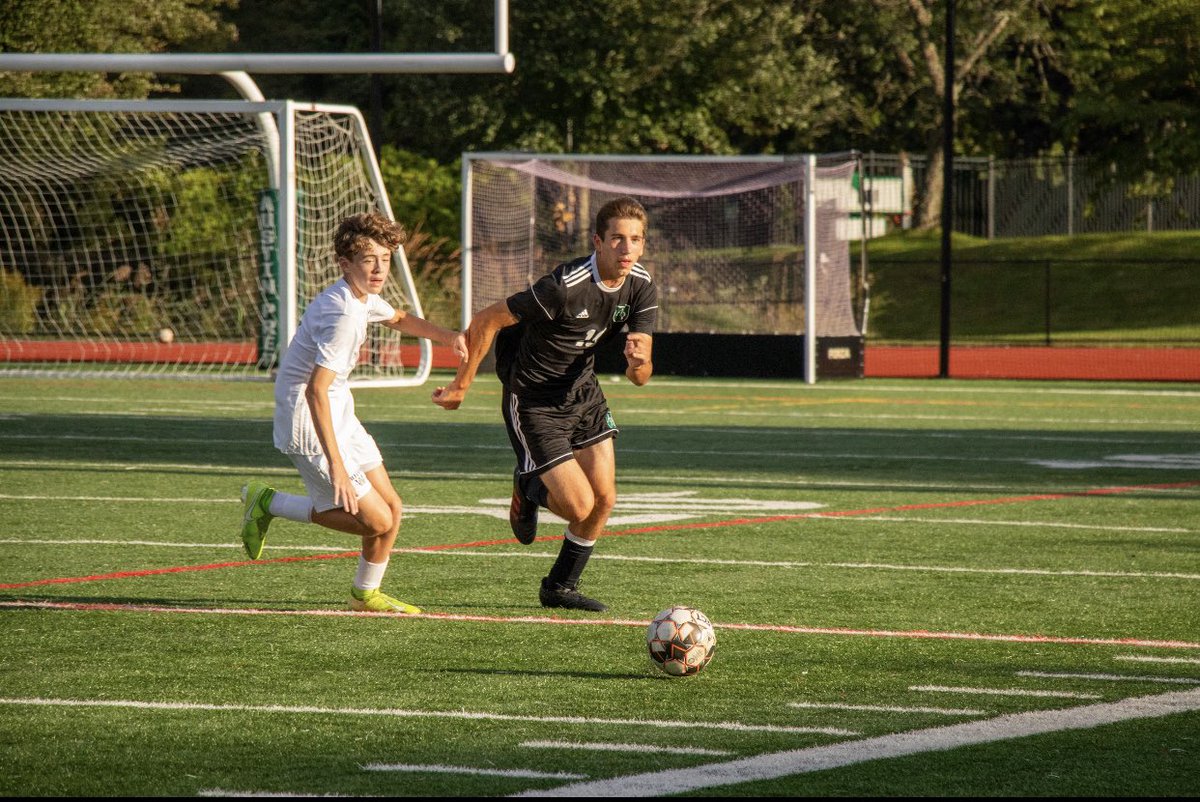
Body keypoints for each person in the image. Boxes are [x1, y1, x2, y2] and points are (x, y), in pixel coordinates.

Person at [432, 196, 657, 612]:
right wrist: (461, 385)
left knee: (604, 499)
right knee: (578, 506)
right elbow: (486, 320)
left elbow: (640, 378)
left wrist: (639, 363)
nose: (627, 249)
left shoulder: (640, 285)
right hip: (533, 400)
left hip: (583, 395)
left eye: (636, 240)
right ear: (598, 241)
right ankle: (527, 485)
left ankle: (559, 587)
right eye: (618, 239)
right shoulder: (564, 286)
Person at [240, 211, 467, 614]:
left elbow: (398, 317)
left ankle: (365, 594)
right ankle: (268, 502)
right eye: (368, 260)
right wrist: (338, 466)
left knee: (393, 509)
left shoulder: (360, 296)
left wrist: (449, 337)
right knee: (377, 521)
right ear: (345, 264)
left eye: (385, 258)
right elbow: (315, 389)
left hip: (338, 408)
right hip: (308, 419)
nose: (379, 268)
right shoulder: (342, 314)